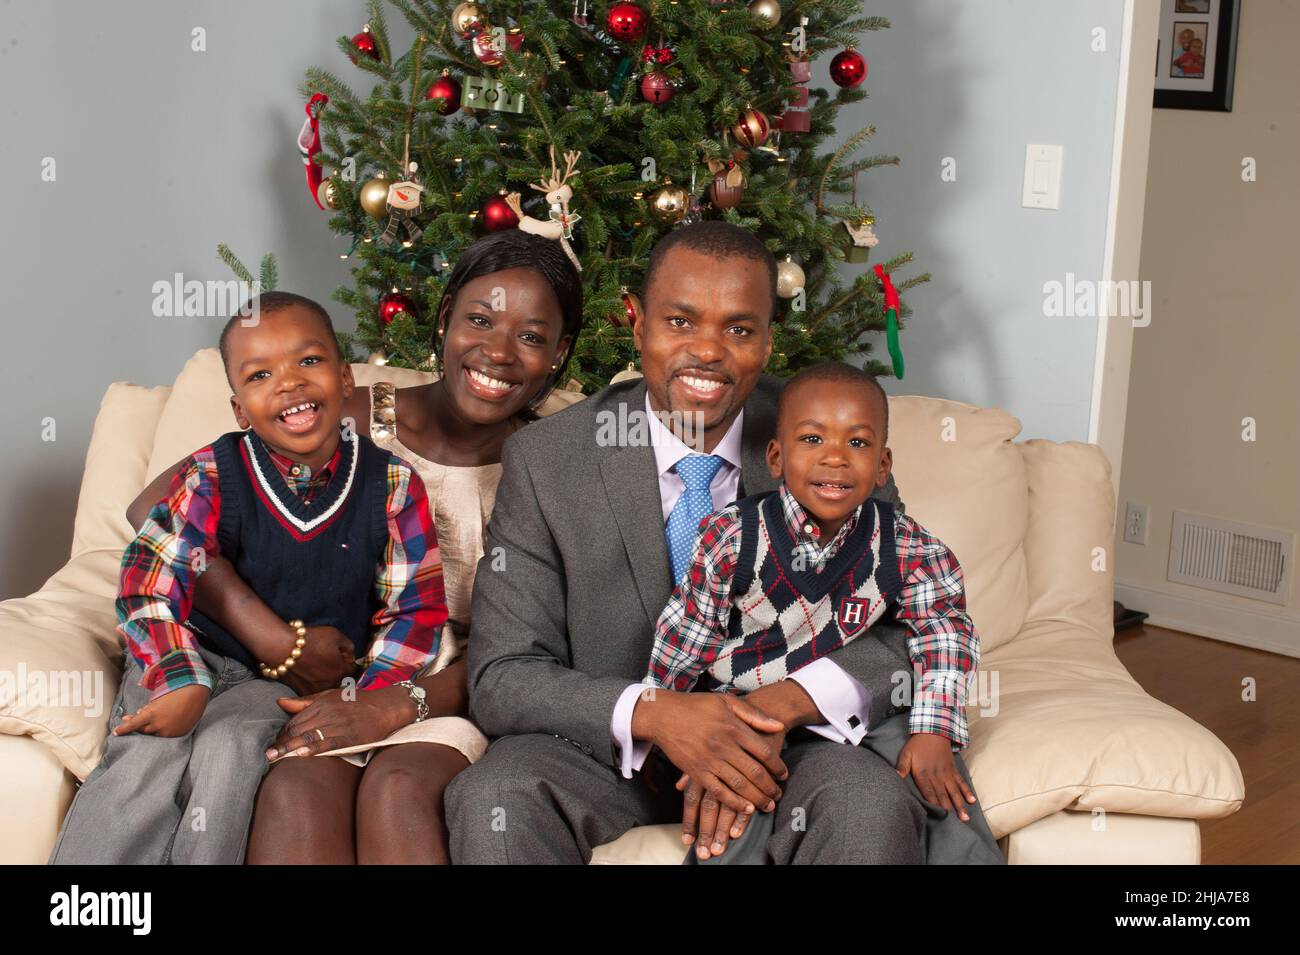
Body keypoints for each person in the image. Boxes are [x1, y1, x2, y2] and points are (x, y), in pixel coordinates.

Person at [447, 220, 996, 863]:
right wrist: (658, 714)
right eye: (680, 321)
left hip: (787, 749)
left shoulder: (823, 435)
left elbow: (909, 624)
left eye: (738, 329)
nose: (707, 351)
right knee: (499, 795)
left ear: (767, 340)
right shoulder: (548, 460)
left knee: (868, 800)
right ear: (636, 321)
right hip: (613, 751)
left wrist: (784, 704)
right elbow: (503, 675)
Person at [124, 231, 583, 863]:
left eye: (531, 336)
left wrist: (397, 703)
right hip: (338, 669)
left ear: (558, 354)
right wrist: (263, 631)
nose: (499, 351)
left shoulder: (558, 462)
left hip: (460, 689)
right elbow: (157, 509)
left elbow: (542, 651)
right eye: (479, 320)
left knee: (398, 790)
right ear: (445, 319)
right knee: (297, 788)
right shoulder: (348, 415)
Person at [50, 292, 446, 864]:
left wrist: (360, 695)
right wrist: (180, 677)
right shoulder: (213, 473)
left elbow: (414, 613)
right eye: (261, 374)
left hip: (273, 685)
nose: (288, 384)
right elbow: (150, 578)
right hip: (189, 652)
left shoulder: (393, 486)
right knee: (148, 757)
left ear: (345, 376)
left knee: (233, 754)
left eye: (308, 362)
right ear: (240, 409)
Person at [645, 361, 1002, 862]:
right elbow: (683, 639)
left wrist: (934, 728)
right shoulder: (731, 537)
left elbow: (944, 631)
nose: (835, 458)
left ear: (882, 465)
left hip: (856, 710)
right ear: (776, 456)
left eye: (857, 443)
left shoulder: (905, 544)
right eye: (812, 440)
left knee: (936, 779)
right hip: (747, 708)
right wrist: (670, 727)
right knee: (732, 808)